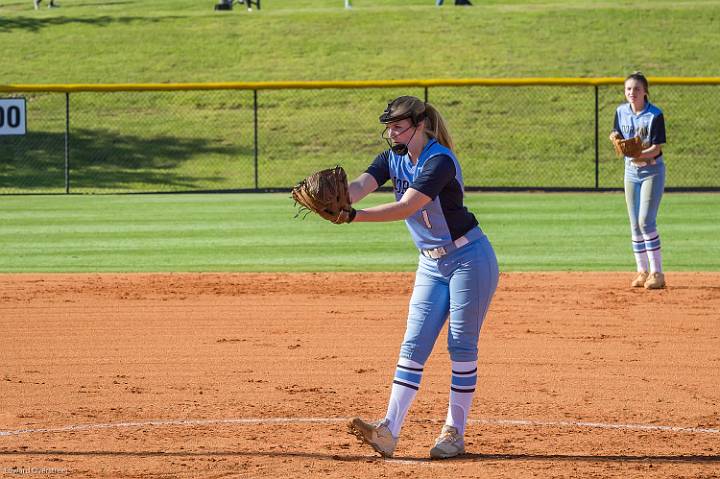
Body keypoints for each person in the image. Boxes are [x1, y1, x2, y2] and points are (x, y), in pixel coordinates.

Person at [346, 96, 499, 459]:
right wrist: (334, 201)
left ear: (420, 125)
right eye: (389, 127)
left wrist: (352, 217)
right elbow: (360, 186)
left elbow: (406, 207)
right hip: (430, 264)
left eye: (398, 126)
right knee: (413, 345)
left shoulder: (439, 160)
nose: (392, 133)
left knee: (460, 346)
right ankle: (388, 431)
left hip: (469, 259)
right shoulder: (392, 157)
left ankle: (453, 432)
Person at [609, 72, 667, 289]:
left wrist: (637, 155)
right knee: (634, 223)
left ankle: (657, 273)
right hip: (630, 172)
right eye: (628, 89)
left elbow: (656, 148)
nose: (632, 93)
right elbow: (616, 131)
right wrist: (614, 137)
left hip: (652, 171)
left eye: (636, 89)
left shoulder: (654, 115)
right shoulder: (621, 111)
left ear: (645, 92)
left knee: (646, 221)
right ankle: (642, 271)